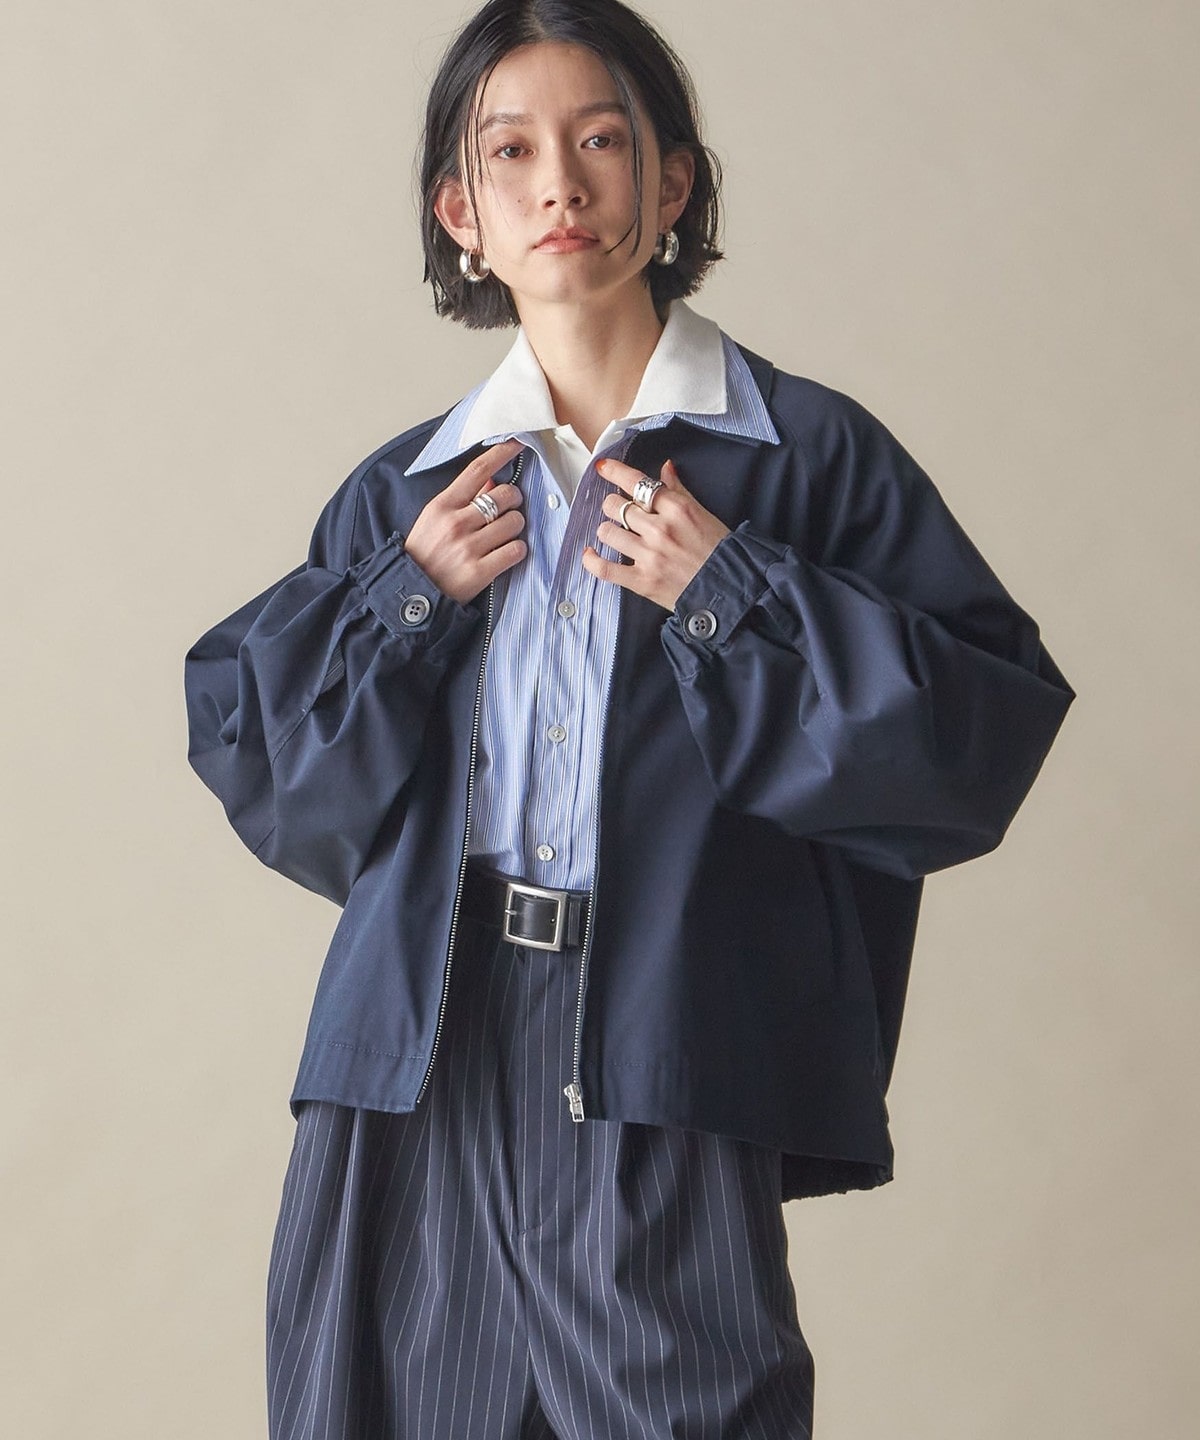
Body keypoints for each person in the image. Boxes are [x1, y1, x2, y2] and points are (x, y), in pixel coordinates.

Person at [183, 1, 1074, 1435]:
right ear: (462, 214)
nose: (560, 184)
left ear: (671, 186)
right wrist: (404, 601)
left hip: (663, 1041)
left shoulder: (808, 459)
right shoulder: (410, 494)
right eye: (513, 153)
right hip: (413, 1062)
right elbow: (279, 778)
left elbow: (970, 753)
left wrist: (729, 592)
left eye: (601, 141)